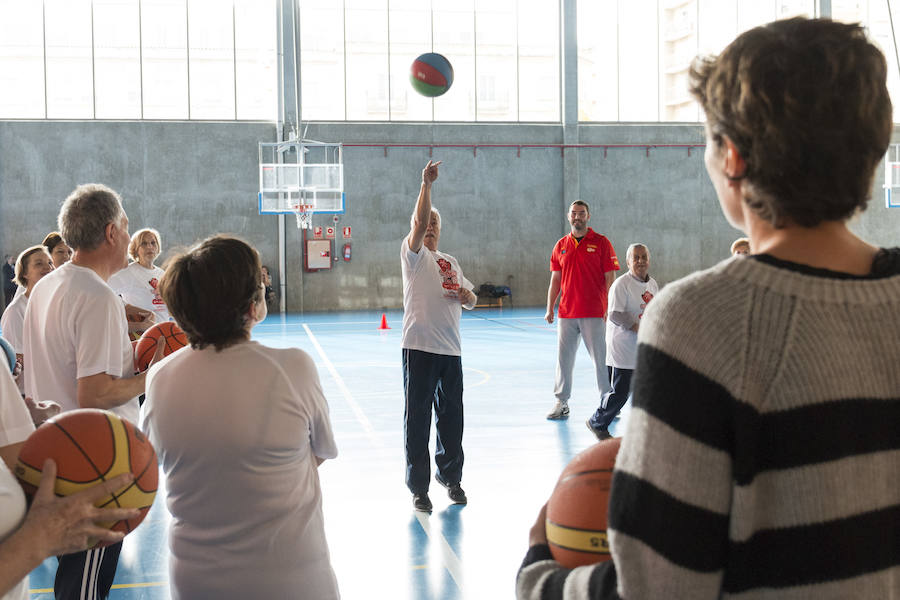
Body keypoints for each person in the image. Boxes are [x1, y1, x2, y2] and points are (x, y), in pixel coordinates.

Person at [517, 18, 900, 600]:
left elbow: (657, 586)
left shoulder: (697, 320)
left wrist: (542, 574)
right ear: (871, 152)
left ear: (734, 158)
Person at [142, 235, 339, 600]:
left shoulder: (158, 378)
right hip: (293, 578)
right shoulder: (294, 367)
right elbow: (320, 451)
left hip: (196, 581)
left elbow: (158, 463)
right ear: (253, 305)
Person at [23, 184, 157, 600]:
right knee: (84, 587)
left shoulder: (47, 286)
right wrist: (159, 373)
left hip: (54, 451)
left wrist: (135, 349)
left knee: (73, 576)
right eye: (127, 227)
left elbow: (71, 365)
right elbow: (95, 393)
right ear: (112, 232)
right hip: (97, 461)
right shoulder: (96, 296)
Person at [401, 160, 476, 512]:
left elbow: (471, 297)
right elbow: (418, 221)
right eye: (427, 222)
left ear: (441, 231)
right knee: (418, 419)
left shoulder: (450, 261)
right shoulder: (413, 255)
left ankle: (451, 478)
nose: (430, 227)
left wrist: (468, 297)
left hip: (451, 351)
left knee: (451, 420)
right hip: (419, 347)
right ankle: (419, 487)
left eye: (435, 224)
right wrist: (426, 185)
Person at [544, 201, 620, 420]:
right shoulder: (561, 245)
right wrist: (550, 307)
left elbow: (610, 277)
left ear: (588, 216)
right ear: (569, 216)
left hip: (594, 312)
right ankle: (561, 403)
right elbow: (555, 279)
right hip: (566, 313)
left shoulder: (602, 242)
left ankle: (608, 402)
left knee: (601, 359)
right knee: (563, 360)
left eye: (581, 214)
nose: (577, 217)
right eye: (574, 214)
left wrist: (608, 306)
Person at [585, 243, 657, 440]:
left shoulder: (652, 284)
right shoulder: (621, 284)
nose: (640, 261)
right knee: (621, 392)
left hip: (643, 347)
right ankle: (597, 422)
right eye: (636, 258)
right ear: (628, 262)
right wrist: (636, 327)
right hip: (623, 347)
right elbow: (614, 314)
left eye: (644, 257)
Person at [1, 246, 55, 398]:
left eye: (50, 263)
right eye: (39, 264)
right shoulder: (15, 311)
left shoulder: (54, 304)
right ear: (24, 273)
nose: (48, 267)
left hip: (52, 389)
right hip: (28, 394)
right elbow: (17, 359)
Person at [109, 228, 171, 326]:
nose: (150, 247)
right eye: (144, 244)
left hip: (164, 331)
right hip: (140, 335)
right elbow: (105, 291)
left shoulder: (162, 274)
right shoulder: (128, 272)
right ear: (136, 249)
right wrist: (127, 309)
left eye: (153, 243)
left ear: (158, 248)